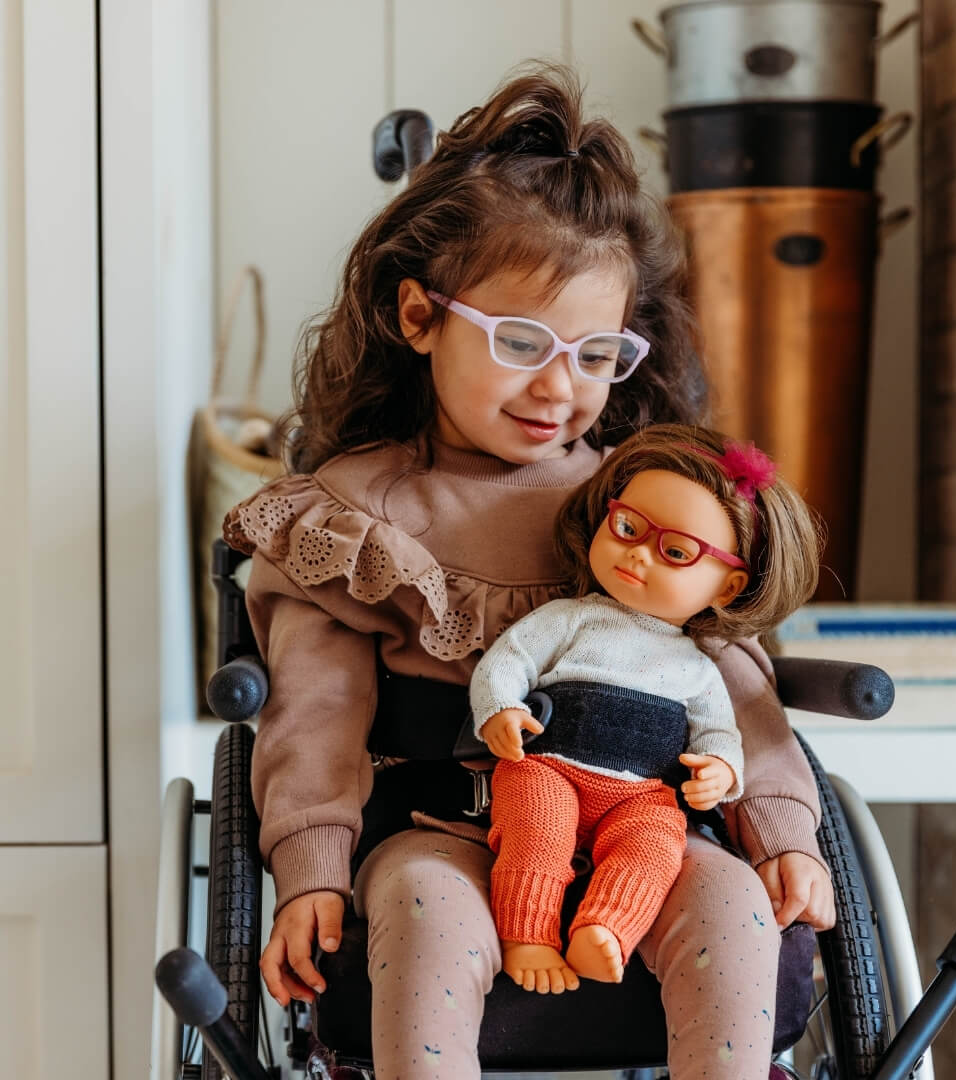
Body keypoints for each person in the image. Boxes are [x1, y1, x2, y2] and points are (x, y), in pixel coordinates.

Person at [223, 64, 835, 1080]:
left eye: (598, 353)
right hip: (438, 830)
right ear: (419, 318)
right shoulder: (357, 512)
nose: (561, 385)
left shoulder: (639, 503)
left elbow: (736, 681)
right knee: (426, 912)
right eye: (520, 341)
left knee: (727, 904)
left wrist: (783, 837)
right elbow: (314, 713)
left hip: (641, 825)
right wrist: (310, 871)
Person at [471, 425, 821, 992]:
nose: (637, 554)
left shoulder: (700, 667)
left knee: (659, 842)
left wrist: (722, 772)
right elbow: (507, 661)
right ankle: (526, 933)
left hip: (640, 793)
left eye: (675, 552)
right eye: (628, 527)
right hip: (550, 768)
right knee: (537, 824)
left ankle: (607, 928)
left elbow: (718, 734)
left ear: (728, 588)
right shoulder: (571, 618)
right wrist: (499, 709)